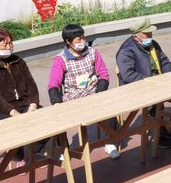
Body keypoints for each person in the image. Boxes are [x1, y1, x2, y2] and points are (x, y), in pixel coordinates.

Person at [46, 23, 119, 159]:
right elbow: (53, 84)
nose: (82, 42)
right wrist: (56, 102)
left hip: (93, 93)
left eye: (83, 38)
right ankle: (63, 150)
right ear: (68, 42)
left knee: (110, 108)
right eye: (78, 39)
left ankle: (110, 142)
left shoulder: (93, 52)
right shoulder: (60, 59)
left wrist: (99, 93)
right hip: (72, 99)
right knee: (55, 118)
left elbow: (103, 75)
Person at [116, 16, 171, 148]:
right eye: (146, 34)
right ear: (136, 36)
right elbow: (128, 75)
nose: (150, 36)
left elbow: (165, 62)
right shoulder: (126, 50)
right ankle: (160, 136)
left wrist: (167, 78)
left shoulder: (153, 44)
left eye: (150, 33)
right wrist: (151, 82)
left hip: (160, 83)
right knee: (155, 104)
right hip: (140, 87)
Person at [0, 28, 42, 121]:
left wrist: (32, 107)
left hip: (26, 105)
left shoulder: (19, 61)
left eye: (10, 43)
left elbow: (31, 85)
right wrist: (16, 114)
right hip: (3, 110)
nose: (9, 47)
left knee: (47, 121)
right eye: (5, 45)